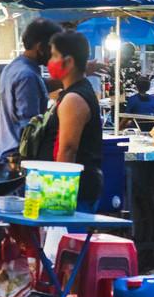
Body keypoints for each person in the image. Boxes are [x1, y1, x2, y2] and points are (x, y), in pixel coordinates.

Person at [36, 29, 104, 211]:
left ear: (69, 61)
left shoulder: (73, 99)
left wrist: (56, 199)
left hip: (72, 194)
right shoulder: (72, 92)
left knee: (67, 239)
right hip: (75, 189)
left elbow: (67, 149)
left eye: (54, 56)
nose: (49, 62)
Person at [0, 18, 63, 161]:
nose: (54, 55)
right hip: (18, 160)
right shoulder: (27, 76)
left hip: (8, 154)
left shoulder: (14, 67)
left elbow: (41, 86)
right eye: (53, 49)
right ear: (40, 48)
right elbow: (29, 128)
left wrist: (73, 73)